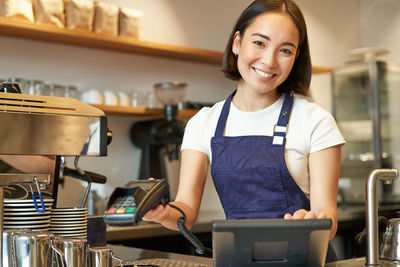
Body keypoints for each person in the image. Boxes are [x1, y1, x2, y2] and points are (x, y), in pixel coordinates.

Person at [143, 0, 345, 262]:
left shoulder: (315, 120)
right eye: (259, 43)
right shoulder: (203, 122)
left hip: (305, 261)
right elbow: (186, 210)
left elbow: (328, 217)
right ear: (237, 42)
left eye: (285, 50)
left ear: (295, 57)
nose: (269, 61)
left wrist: (312, 222)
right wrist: (161, 213)